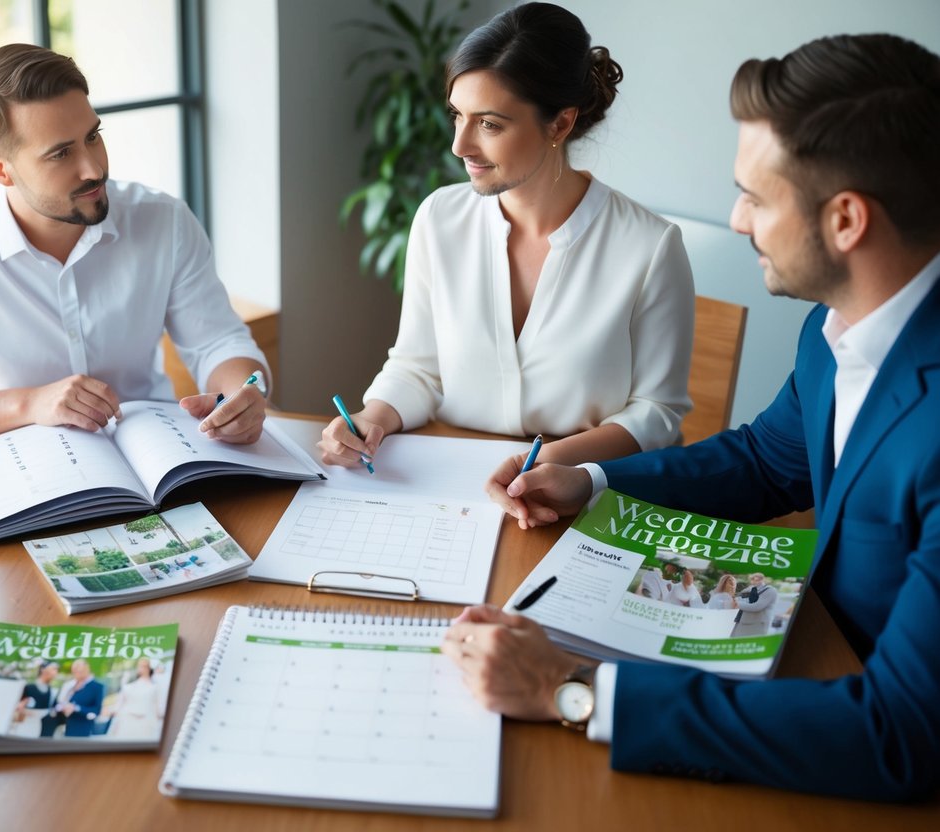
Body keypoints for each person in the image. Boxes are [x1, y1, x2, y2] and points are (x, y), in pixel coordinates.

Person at [447, 33, 940, 800]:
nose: (737, 221)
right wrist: (587, 480)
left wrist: (571, 690)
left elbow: (899, 732)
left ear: (845, 221)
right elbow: (766, 463)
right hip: (806, 662)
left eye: (754, 196)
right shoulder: (836, 323)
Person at [319, 2, 693, 470]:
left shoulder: (649, 247)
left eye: (489, 124)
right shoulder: (439, 218)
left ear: (560, 123)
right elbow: (417, 367)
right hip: (448, 486)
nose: (459, 145)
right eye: (457, 115)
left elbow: (658, 413)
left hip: (580, 494)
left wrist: (551, 462)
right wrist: (368, 420)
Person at [0, 44, 269, 445]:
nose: (94, 168)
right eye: (61, 154)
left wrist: (243, 394)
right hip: (17, 466)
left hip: (157, 458)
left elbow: (219, 342)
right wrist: (30, 404)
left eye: (93, 136)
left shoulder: (164, 221)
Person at [108, 658, 164, 741]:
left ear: (149, 668)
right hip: (127, 720)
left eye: (144, 666)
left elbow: (158, 706)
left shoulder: (155, 687)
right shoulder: (129, 685)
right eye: (140, 666)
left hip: (146, 721)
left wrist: (159, 716)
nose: (142, 669)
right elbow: (121, 702)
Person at [51, 659, 106, 737]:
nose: (76, 672)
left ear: (87, 669)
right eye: (74, 670)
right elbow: (56, 704)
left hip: (83, 730)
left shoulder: (97, 687)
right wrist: (61, 707)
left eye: (79, 670)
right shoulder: (68, 685)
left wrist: (76, 708)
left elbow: (96, 711)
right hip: (64, 728)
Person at [11, 660, 59, 738]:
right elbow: (18, 708)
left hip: (42, 730)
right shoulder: (28, 687)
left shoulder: (52, 691)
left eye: (56, 670)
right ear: (43, 669)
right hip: (26, 729)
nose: (55, 672)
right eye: (53, 669)